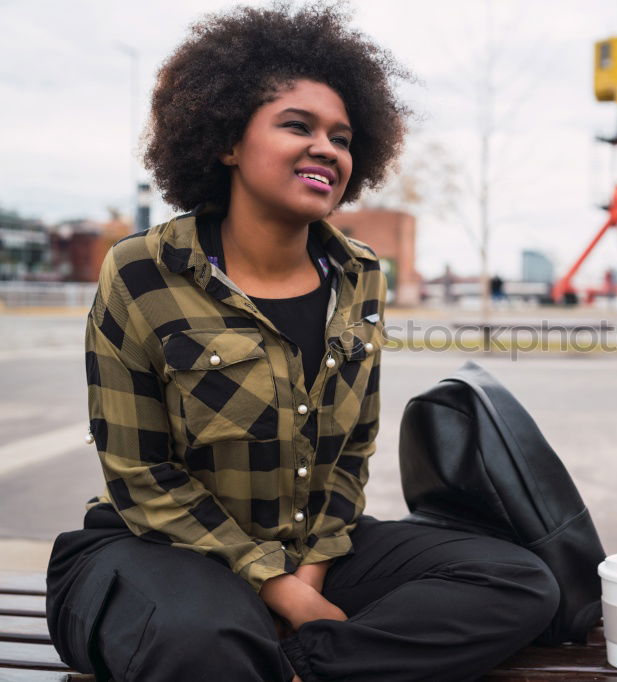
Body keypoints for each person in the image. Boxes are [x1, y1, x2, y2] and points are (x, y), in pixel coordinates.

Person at [45, 5, 559, 682]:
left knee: (521, 582)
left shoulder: (362, 276)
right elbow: (143, 480)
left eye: (342, 138)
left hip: (310, 551)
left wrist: (309, 578)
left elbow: (351, 457)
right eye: (298, 126)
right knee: (203, 640)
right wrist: (280, 588)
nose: (327, 149)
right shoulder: (143, 271)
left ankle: (300, 668)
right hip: (157, 549)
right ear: (227, 140)